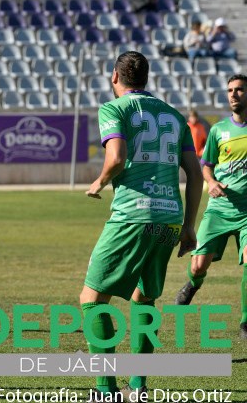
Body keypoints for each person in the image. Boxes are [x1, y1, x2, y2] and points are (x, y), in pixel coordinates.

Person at [82, 51, 202, 398]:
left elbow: (116, 156)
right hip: (169, 219)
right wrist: (189, 226)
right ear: (146, 79)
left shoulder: (114, 109)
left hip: (133, 215)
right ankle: (139, 387)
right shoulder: (175, 116)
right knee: (144, 299)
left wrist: (99, 182)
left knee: (92, 299)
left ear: (115, 77)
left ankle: (105, 390)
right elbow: (194, 175)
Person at [175, 75, 247, 340]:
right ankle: (192, 286)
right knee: (198, 266)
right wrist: (212, 181)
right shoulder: (218, 130)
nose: (234, 94)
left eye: (239, 90)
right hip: (219, 209)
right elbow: (206, 165)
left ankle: (245, 323)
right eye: (230, 90)